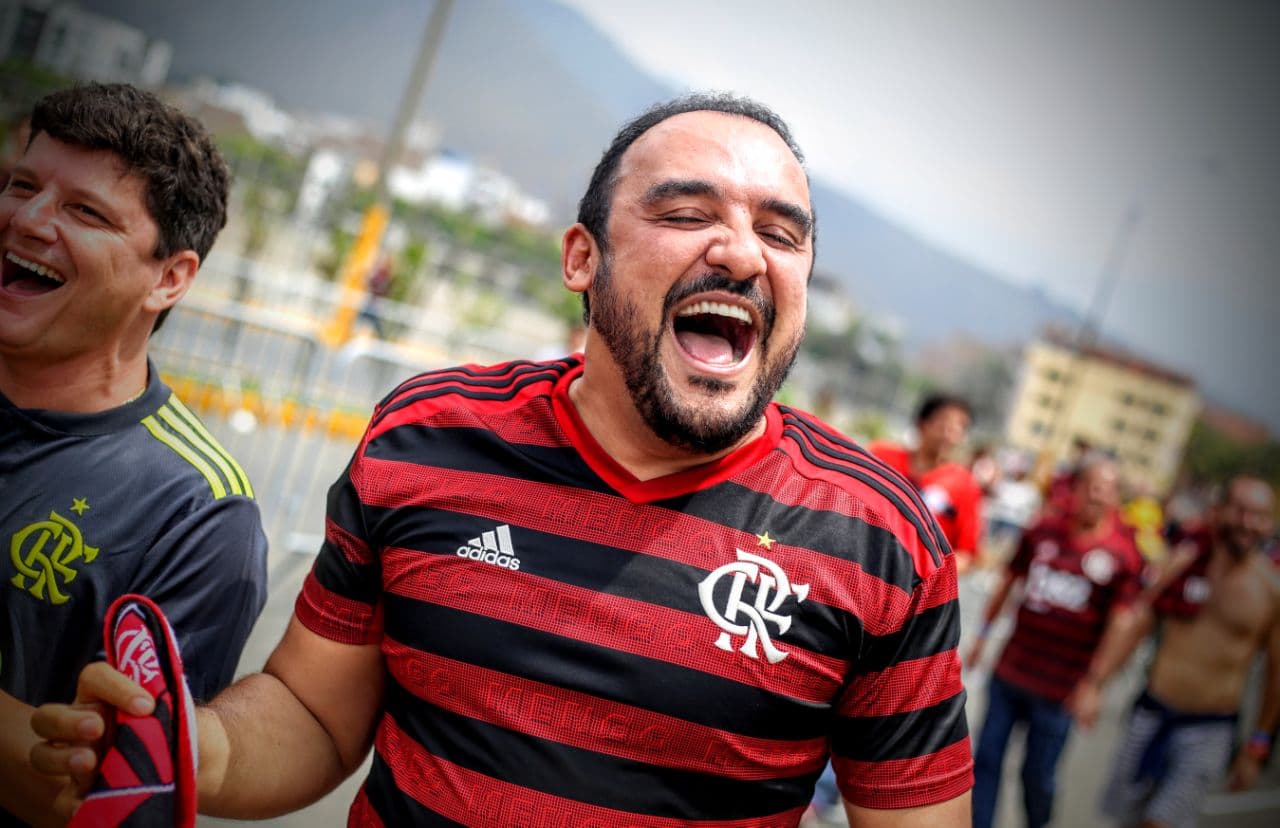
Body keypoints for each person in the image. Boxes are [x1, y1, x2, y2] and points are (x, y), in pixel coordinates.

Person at [31, 94, 972, 826]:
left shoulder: (882, 540)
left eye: (781, 233)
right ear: (581, 260)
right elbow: (315, 717)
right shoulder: (424, 437)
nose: (741, 253)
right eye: (687, 213)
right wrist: (191, 748)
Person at [0, 83, 268, 826]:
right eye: (21, 186)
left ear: (169, 277)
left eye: (83, 212)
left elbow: (109, 799)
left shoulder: (197, 510)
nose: (27, 219)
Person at [1082, 476, 1279, 828]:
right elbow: (1140, 620)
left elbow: (1277, 676)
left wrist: (1257, 745)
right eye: (1241, 511)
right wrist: (1096, 684)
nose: (1248, 523)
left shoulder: (1270, 591)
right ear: (1220, 512)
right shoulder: (1185, 562)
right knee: (1124, 819)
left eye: (1259, 515)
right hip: (1152, 713)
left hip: (1208, 730)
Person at [965, 457, 1144, 828]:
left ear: (1115, 497)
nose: (1096, 494)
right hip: (1011, 672)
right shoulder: (1043, 531)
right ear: (1074, 490)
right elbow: (1009, 581)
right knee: (985, 760)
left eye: (1106, 488)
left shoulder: (1123, 554)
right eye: (1090, 485)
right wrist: (982, 637)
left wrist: (1094, 684)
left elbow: (1121, 623)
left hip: (1060, 689)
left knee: (1038, 776)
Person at [869, 394, 984, 571]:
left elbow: (966, 554)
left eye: (960, 427)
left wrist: (926, 576)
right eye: (944, 423)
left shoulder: (965, 484)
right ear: (922, 423)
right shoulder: (881, 457)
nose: (950, 434)